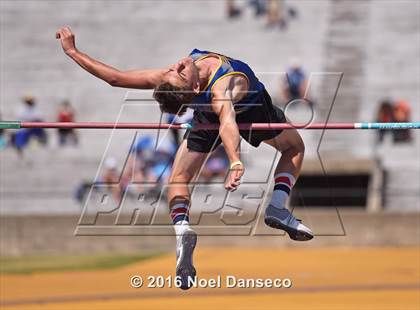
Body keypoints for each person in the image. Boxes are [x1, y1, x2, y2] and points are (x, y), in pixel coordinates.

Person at [56, 26, 313, 290]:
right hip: (246, 110)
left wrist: (73, 51)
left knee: (180, 177)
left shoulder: (185, 81)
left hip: (221, 113)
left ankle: (193, 227)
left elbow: (116, 78)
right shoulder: (222, 85)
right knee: (293, 148)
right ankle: (268, 209)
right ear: (195, 86)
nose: (175, 67)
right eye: (177, 73)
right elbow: (226, 120)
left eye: (173, 70)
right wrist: (235, 160)